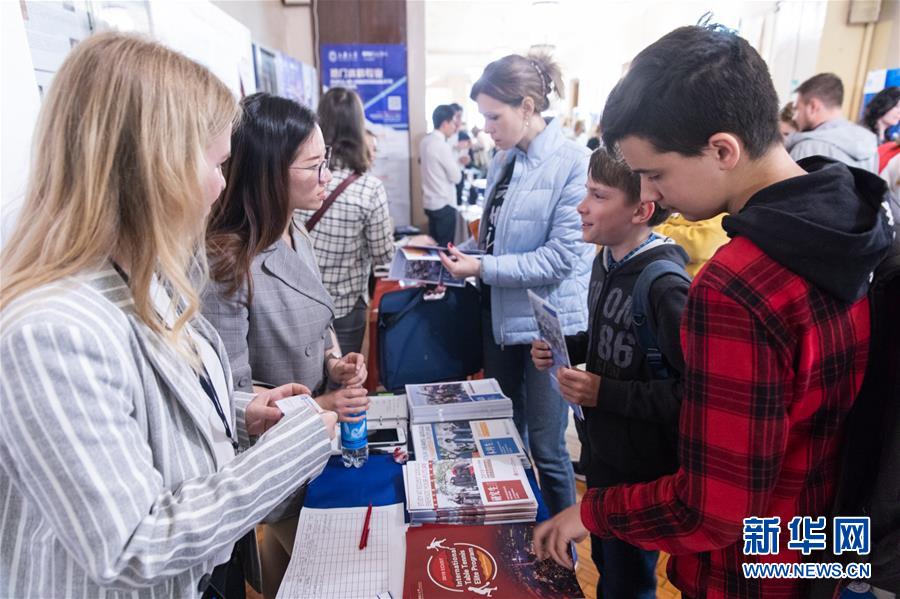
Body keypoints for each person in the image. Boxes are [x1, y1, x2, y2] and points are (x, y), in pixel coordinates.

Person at [534, 25, 893, 599]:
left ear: (723, 149)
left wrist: (594, 511)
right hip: (826, 549)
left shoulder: (737, 285)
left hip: (749, 572)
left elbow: (713, 509)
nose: (651, 192)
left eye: (655, 173)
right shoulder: (858, 219)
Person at [0, 33, 338, 599]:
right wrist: (294, 445)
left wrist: (239, 409)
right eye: (215, 163)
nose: (220, 187)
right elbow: (134, 545)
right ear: (155, 167)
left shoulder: (142, 277)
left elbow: (144, 406)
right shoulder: (51, 331)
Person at [202, 92, 369, 598]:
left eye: (327, 164)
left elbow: (318, 325)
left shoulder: (295, 230)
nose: (326, 179)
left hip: (318, 445)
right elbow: (226, 401)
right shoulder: (227, 264)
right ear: (269, 173)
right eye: (313, 167)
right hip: (277, 457)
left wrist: (335, 364)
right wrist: (319, 404)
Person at [440, 52, 593, 516]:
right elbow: (499, 240)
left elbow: (560, 258)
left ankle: (563, 550)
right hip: (500, 319)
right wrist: (473, 258)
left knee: (548, 447)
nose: (486, 127)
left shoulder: (573, 163)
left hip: (547, 328)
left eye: (493, 115)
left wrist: (482, 268)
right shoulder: (503, 161)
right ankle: (517, 534)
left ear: (527, 107)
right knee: (503, 434)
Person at [532, 147, 689, 598]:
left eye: (598, 196)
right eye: (586, 192)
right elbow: (612, 335)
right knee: (609, 567)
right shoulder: (604, 260)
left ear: (641, 209)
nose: (582, 206)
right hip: (604, 454)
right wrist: (569, 348)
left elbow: (690, 396)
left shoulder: (665, 286)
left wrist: (606, 393)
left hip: (642, 469)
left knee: (628, 580)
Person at [295, 87, 393, 355]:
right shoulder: (369, 188)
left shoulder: (298, 177)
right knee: (343, 381)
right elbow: (384, 257)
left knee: (305, 387)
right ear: (359, 128)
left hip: (298, 303)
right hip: (345, 307)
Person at [787, 72, 879, 172]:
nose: (794, 118)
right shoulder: (870, 147)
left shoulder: (806, 148)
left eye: (797, 109)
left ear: (813, 107)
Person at [420, 104, 468, 245]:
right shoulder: (441, 145)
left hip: (430, 202)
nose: (455, 126)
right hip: (443, 204)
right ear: (445, 123)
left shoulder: (425, 141)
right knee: (444, 250)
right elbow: (457, 177)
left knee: (434, 248)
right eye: (453, 123)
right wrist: (458, 162)